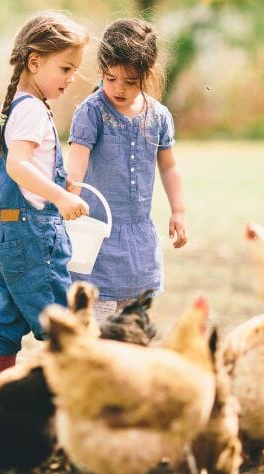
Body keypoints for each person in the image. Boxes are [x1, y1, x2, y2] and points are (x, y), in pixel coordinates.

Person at [0, 11, 90, 384]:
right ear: (35, 61)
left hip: (5, 237)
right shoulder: (31, 111)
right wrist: (59, 196)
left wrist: (55, 185)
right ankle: (69, 401)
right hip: (31, 239)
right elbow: (17, 166)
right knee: (62, 323)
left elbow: (2, 169)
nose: (71, 78)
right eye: (66, 68)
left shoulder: (13, 106)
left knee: (7, 321)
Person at [66, 18, 187, 322]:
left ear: (147, 75)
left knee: (134, 327)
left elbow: (169, 166)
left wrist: (178, 211)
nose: (119, 88)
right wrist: (69, 202)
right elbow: (76, 166)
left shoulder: (158, 116)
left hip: (139, 242)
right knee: (99, 325)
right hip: (97, 237)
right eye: (110, 78)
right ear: (101, 70)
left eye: (130, 82)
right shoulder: (92, 112)